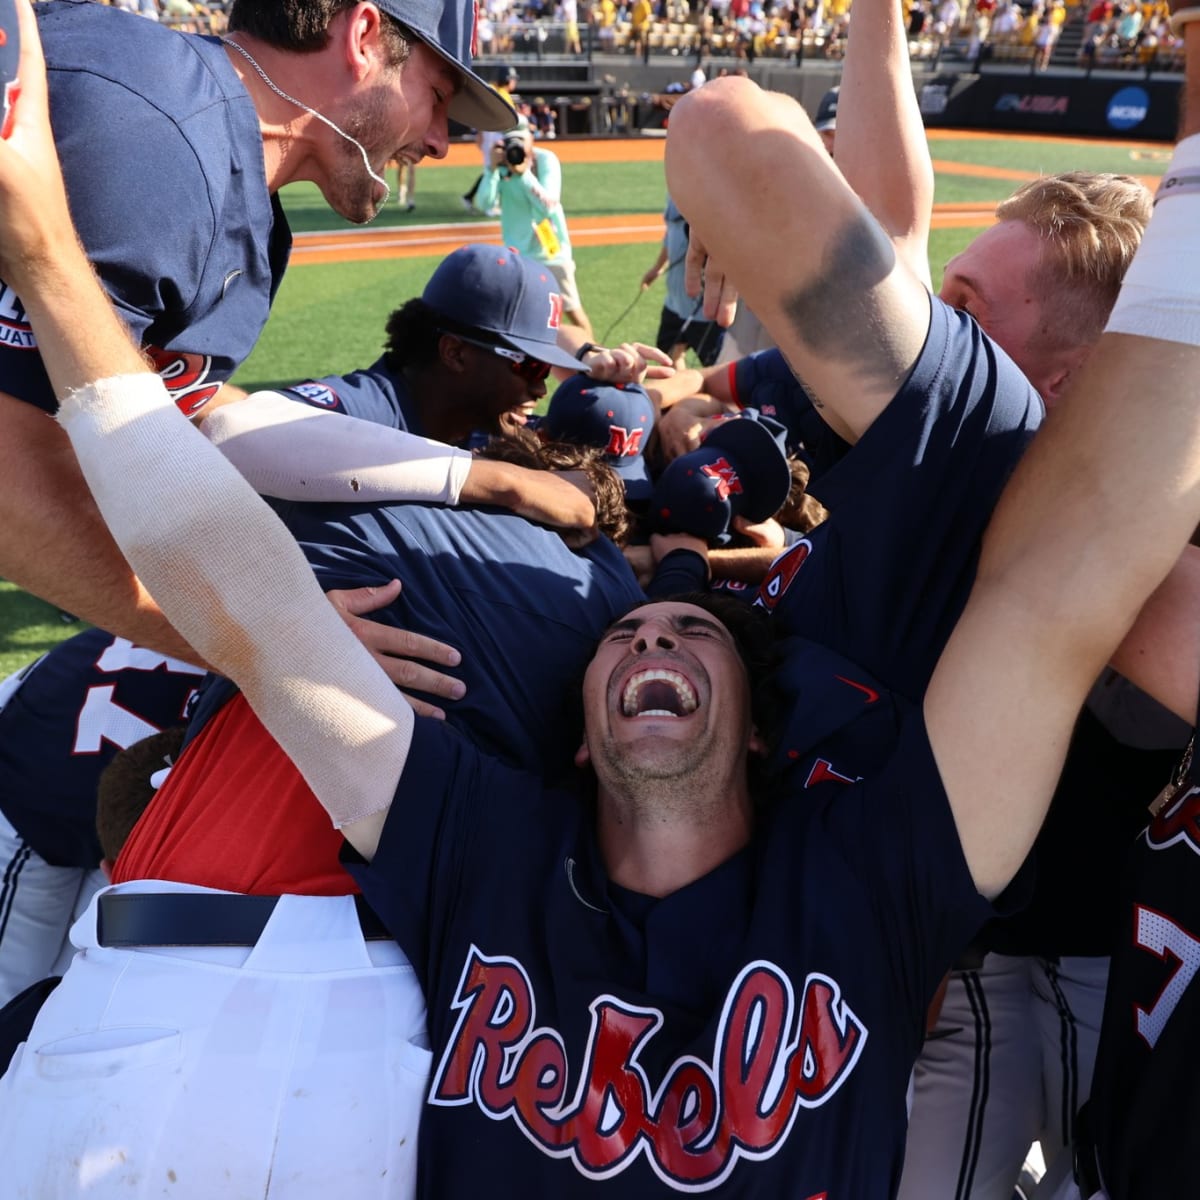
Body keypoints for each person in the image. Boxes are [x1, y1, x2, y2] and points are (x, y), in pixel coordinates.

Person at [5, 7, 1200, 1195]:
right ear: (570, 734)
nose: (657, 637)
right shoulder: (488, 842)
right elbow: (234, 578)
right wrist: (47, 254)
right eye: (629, 632)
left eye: (689, 633)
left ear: (768, 726)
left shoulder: (864, 886)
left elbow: (1060, 597)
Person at [0, 0, 516, 668]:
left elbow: (166, 406)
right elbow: (13, 475)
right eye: (437, 96)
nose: (442, 141)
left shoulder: (233, 186)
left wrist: (472, 477)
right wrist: (271, 647)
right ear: (363, 36)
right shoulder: (158, 141)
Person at [0, 628, 205, 1007]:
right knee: (66, 983)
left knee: (62, 984)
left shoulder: (119, 624)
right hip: (30, 806)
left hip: (111, 820)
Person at [473, 116, 595, 339]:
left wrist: (524, 175)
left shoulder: (545, 160)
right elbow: (484, 203)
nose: (517, 147)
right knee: (523, 317)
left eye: (521, 140)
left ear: (531, 138)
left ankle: (593, 358)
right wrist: (491, 171)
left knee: (572, 311)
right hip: (519, 256)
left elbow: (548, 206)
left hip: (552, 254)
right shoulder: (501, 166)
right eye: (512, 142)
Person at [640, 195, 725, 370]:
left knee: (717, 369)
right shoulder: (676, 185)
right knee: (669, 355)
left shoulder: (711, 187)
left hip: (704, 308)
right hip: (675, 301)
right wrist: (658, 266)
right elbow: (671, 230)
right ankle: (681, 394)